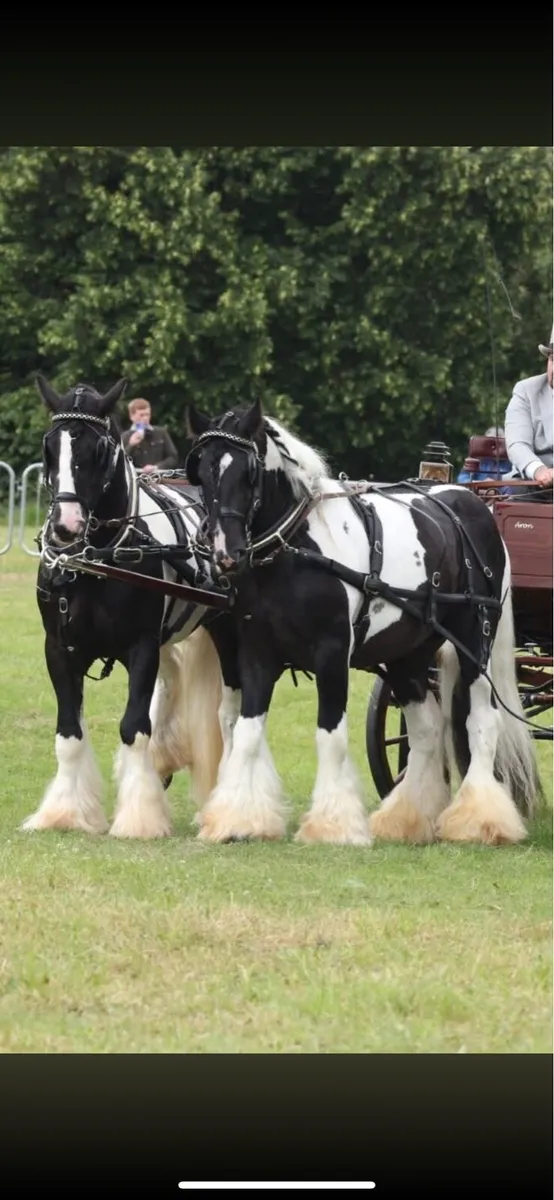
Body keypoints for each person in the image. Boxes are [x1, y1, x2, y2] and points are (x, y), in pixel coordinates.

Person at [504, 327, 553, 489]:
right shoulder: (525, 390)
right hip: (532, 485)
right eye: (552, 359)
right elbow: (517, 444)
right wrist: (539, 471)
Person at [122, 397, 179, 473]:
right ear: (131, 416)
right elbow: (120, 462)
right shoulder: (125, 436)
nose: (145, 418)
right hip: (137, 477)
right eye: (141, 415)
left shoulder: (161, 433)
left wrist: (157, 467)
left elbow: (173, 457)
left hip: (159, 477)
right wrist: (131, 445)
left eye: (147, 415)